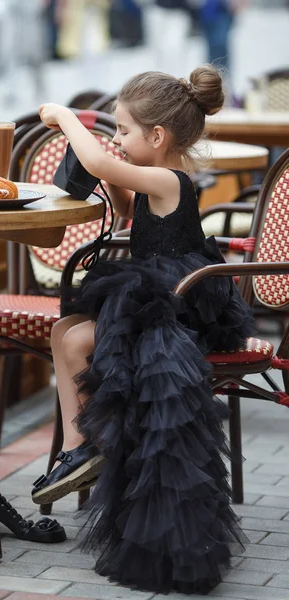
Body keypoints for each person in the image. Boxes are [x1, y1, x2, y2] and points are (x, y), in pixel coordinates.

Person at [31, 65, 254, 594]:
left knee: (80, 339)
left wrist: (66, 116)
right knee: (65, 332)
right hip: (155, 293)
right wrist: (112, 168)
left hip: (170, 307)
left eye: (127, 130)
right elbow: (125, 205)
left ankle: (85, 442)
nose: (120, 140)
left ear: (157, 137)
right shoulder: (154, 178)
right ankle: (79, 445)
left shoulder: (169, 179)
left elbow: (96, 157)